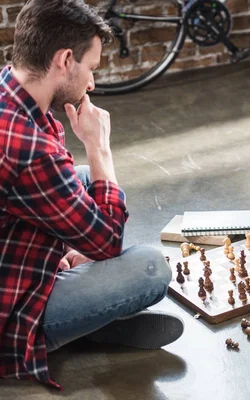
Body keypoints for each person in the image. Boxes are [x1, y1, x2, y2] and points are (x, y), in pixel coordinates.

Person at [0, 0, 183, 388]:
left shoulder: (12, 95)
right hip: (11, 315)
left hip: (10, 257)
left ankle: (87, 320)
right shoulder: (31, 149)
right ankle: (67, 331)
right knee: (151, 268)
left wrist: (62, 251)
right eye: (92, 69)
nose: (92, 84)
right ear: (65, 59)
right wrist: (100, 147)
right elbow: (108, 242)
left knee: (82, 179)